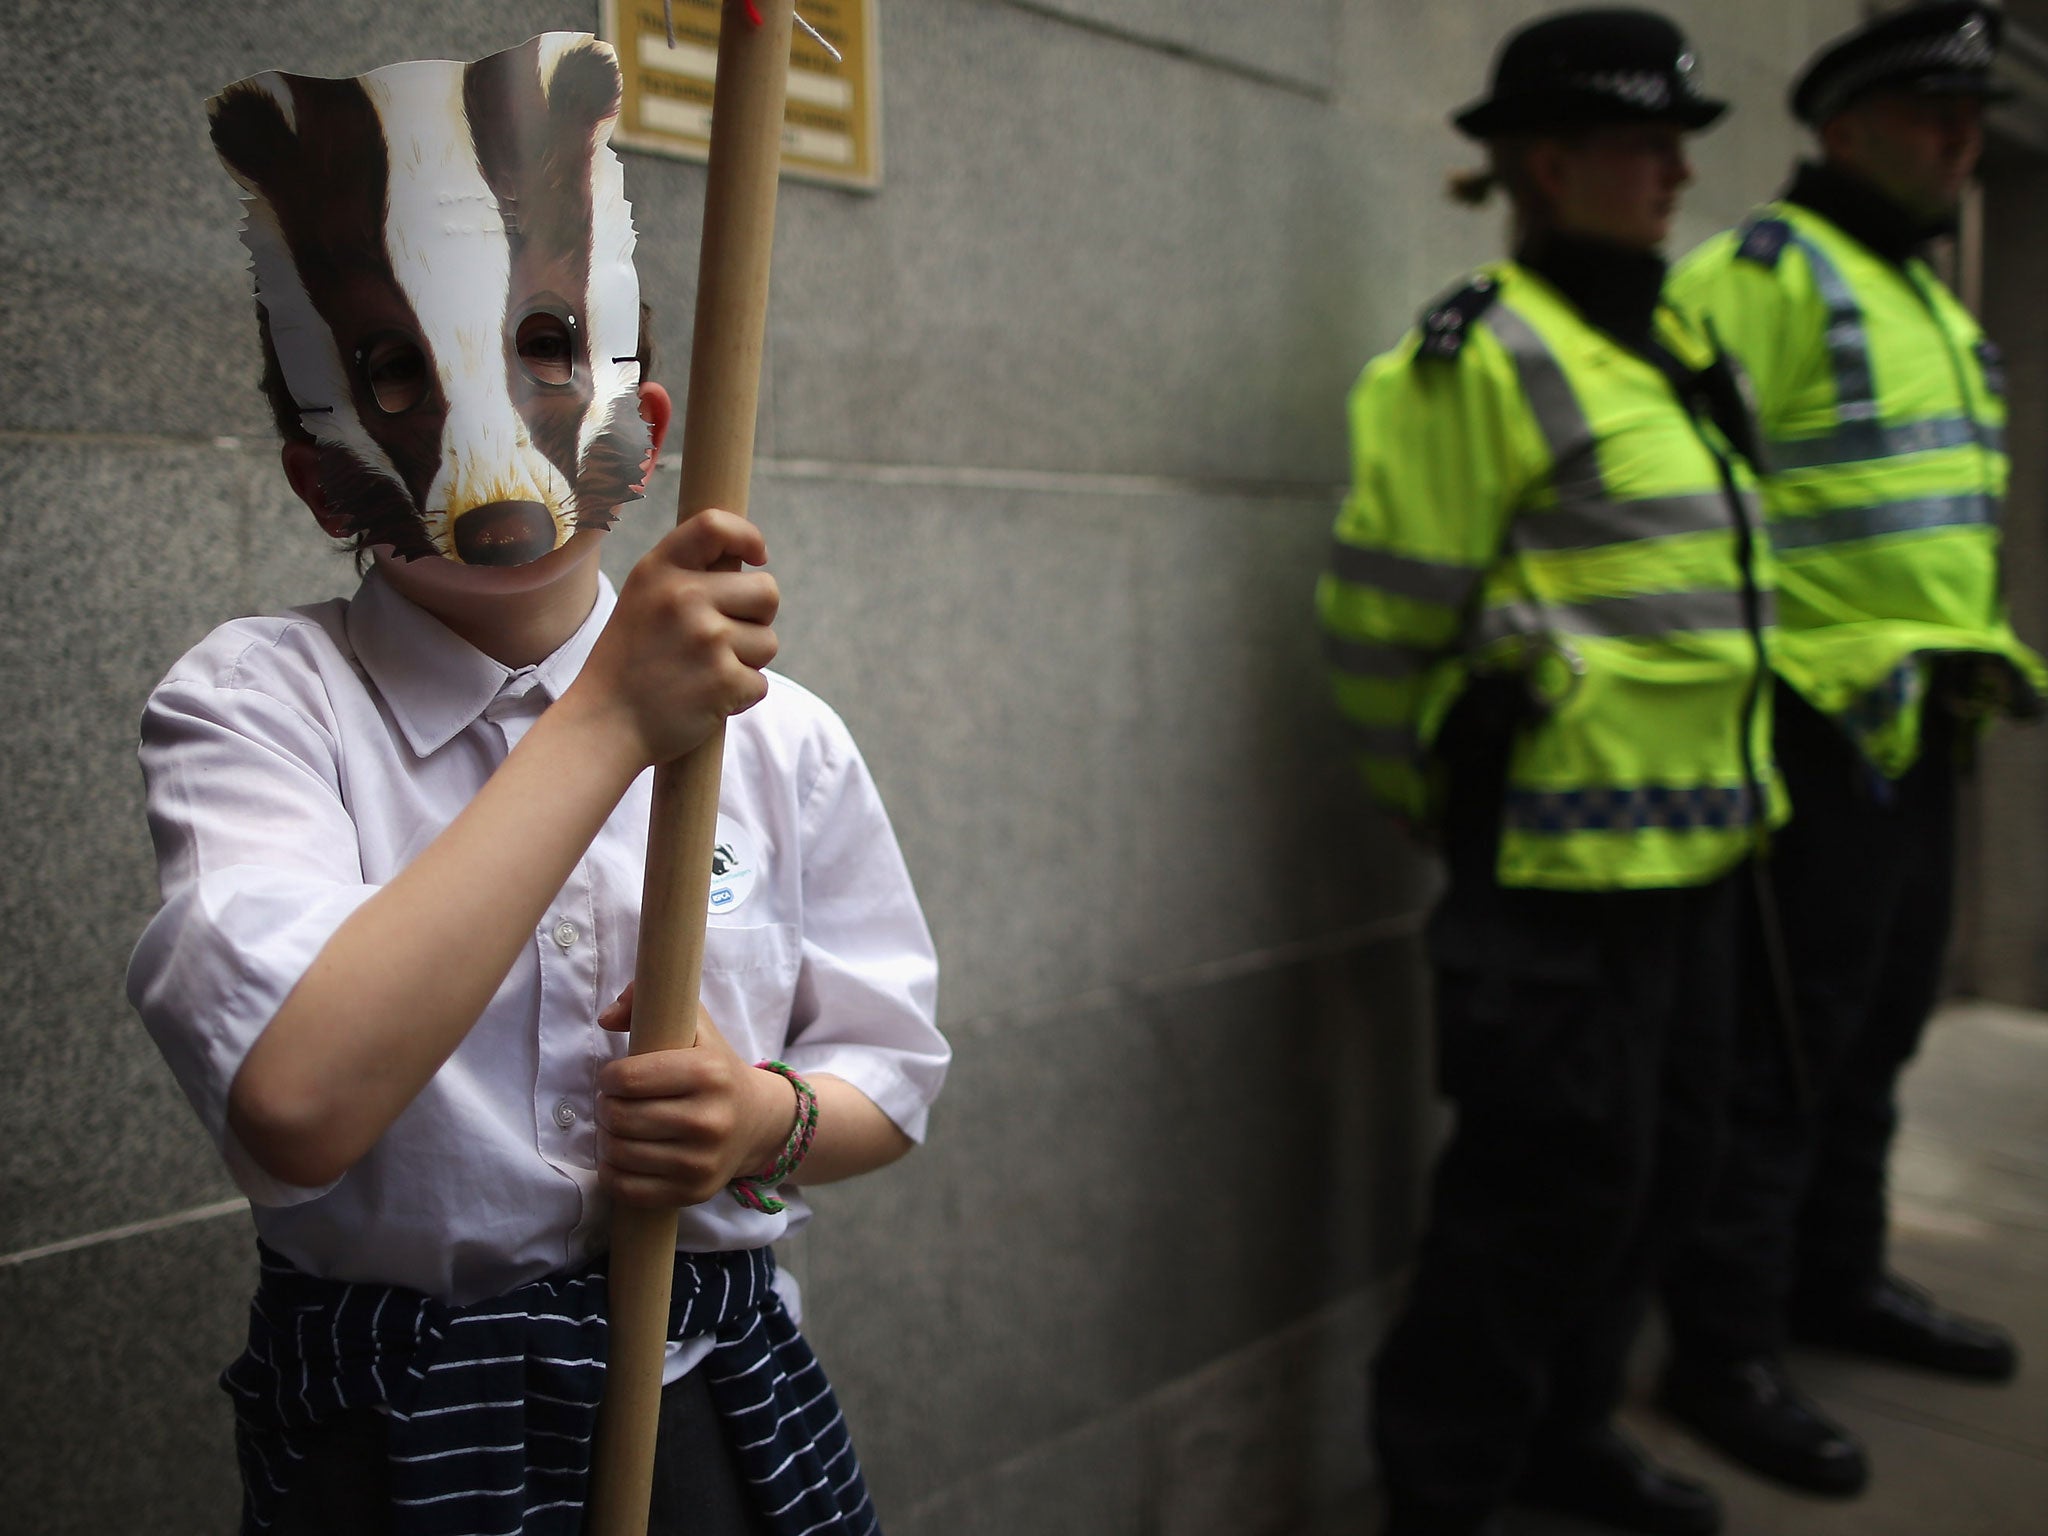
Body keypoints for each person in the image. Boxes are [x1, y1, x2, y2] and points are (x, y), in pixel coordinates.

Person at [125, 34, 948, 1536]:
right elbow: (299, 1102)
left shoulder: (779, 737)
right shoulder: (256, 707)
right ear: (320, 475)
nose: (492, 434)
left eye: (550, 345)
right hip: (398, 1435)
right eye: (394, 370)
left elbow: (891, 1070)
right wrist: (607, 720)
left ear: (646, 409)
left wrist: (759, 1119)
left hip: (707, 1400)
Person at [1314, 11, 1775, 1534]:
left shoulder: (1674, 341)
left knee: (1662, 1173)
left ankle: (1572, 1439)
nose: (1672, 173)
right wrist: (1431, 793)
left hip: (1702, 855)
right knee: (1534, 1202)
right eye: (1644, 144)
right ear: (1548, 162)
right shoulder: (1478, 355)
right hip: (1555, 873)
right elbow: (1383, 621)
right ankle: (1443, 1492)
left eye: (1681, 144)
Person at [1656, 0, 2038, 1498]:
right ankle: (1725, 1348)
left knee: (1875, 1036)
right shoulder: (1762, 279)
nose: (1958, 143)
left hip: (1918, 733)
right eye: (1930, 116)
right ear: (1839, 127)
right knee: (1786, 1053)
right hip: (1811, 743)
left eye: (1970, 118)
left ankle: (1837, 1282)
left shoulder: (1927, 296)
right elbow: (1686, 516)